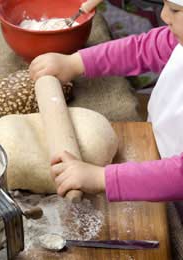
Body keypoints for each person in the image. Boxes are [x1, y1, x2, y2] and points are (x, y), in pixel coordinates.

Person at [29, 0, 183, 202]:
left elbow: (178, 178)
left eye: (175, 10)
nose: (163, 15)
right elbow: (143, 49)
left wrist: (101, 178)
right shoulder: (178, 40)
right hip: (157, 151)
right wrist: (77, 62)